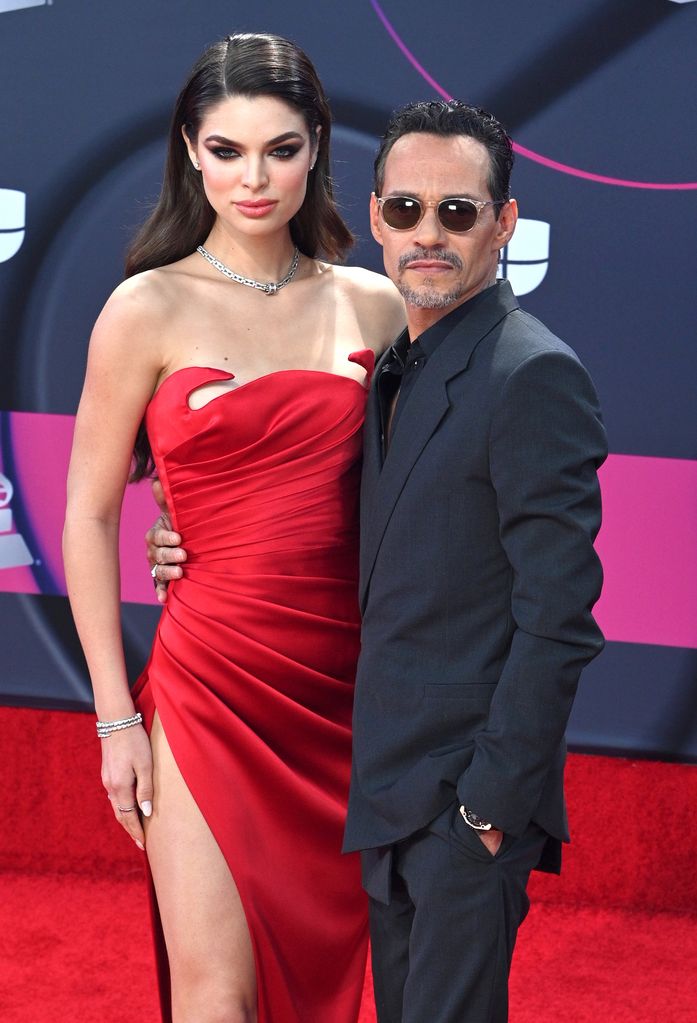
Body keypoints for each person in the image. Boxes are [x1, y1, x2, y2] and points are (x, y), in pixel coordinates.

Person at [149, 99, 607, 1022]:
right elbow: (340, 513)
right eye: (403, 211)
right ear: (376, 216)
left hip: (461, 806)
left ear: (503, 223)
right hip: (384, 789)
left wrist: (488, 809)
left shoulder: (531, 374)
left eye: (456, 211)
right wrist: (197, 534)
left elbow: (559, 618)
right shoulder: (400, 362)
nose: (426, 234)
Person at [63, 32, 404, 1023]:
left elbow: (418, 501)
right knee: (214, 990)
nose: (253, 178)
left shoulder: (376, 307)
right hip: (206, 683)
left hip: (341, 690)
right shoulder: (145, 308)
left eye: (280, 150)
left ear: (318, 149)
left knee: (326, 977)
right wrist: (115, 720)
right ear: (188, 151)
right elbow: (86, 516)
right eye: (226, 151)